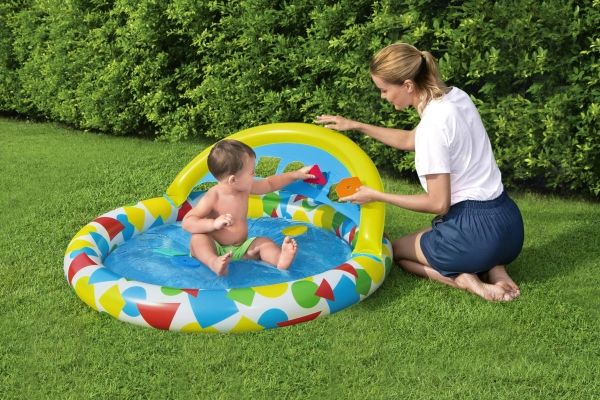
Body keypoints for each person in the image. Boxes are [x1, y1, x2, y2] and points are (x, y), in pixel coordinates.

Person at [316, 42, 524, 302]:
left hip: (474, 232)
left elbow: (438, 203)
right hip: (509, 227)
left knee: (397, 252)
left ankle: (471, 282)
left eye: (384, 90)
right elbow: (408, 140)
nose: (383, 97)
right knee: (454, 241)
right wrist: (355, 125)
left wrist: (376, 195)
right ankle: (496, 269)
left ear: (407, 85)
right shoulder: (455, 97)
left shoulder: (432, 127)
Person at [182, 139, 315, 276]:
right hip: (215, 248)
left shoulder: (245, 187)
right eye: (251, 172)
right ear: (233, 180)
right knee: (198, 240)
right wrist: (213, 224)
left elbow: (270, 183)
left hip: (242, 248)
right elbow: (187, 222)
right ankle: (213, 262)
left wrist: (295, 175)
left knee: (264, 243)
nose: (255, 175)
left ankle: (279, 259)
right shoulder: (213, 196)